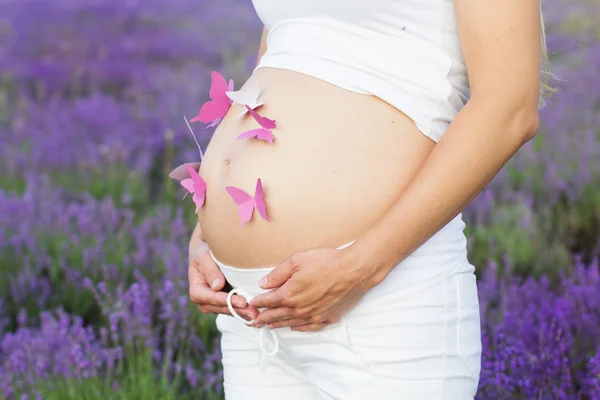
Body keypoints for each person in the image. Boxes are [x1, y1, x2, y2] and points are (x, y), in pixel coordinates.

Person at [185, 0, 550, 398]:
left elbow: (510, 108)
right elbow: (287, 52)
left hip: (379, 306)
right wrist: (210, 228)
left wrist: (358, 270)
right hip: (252, 316)